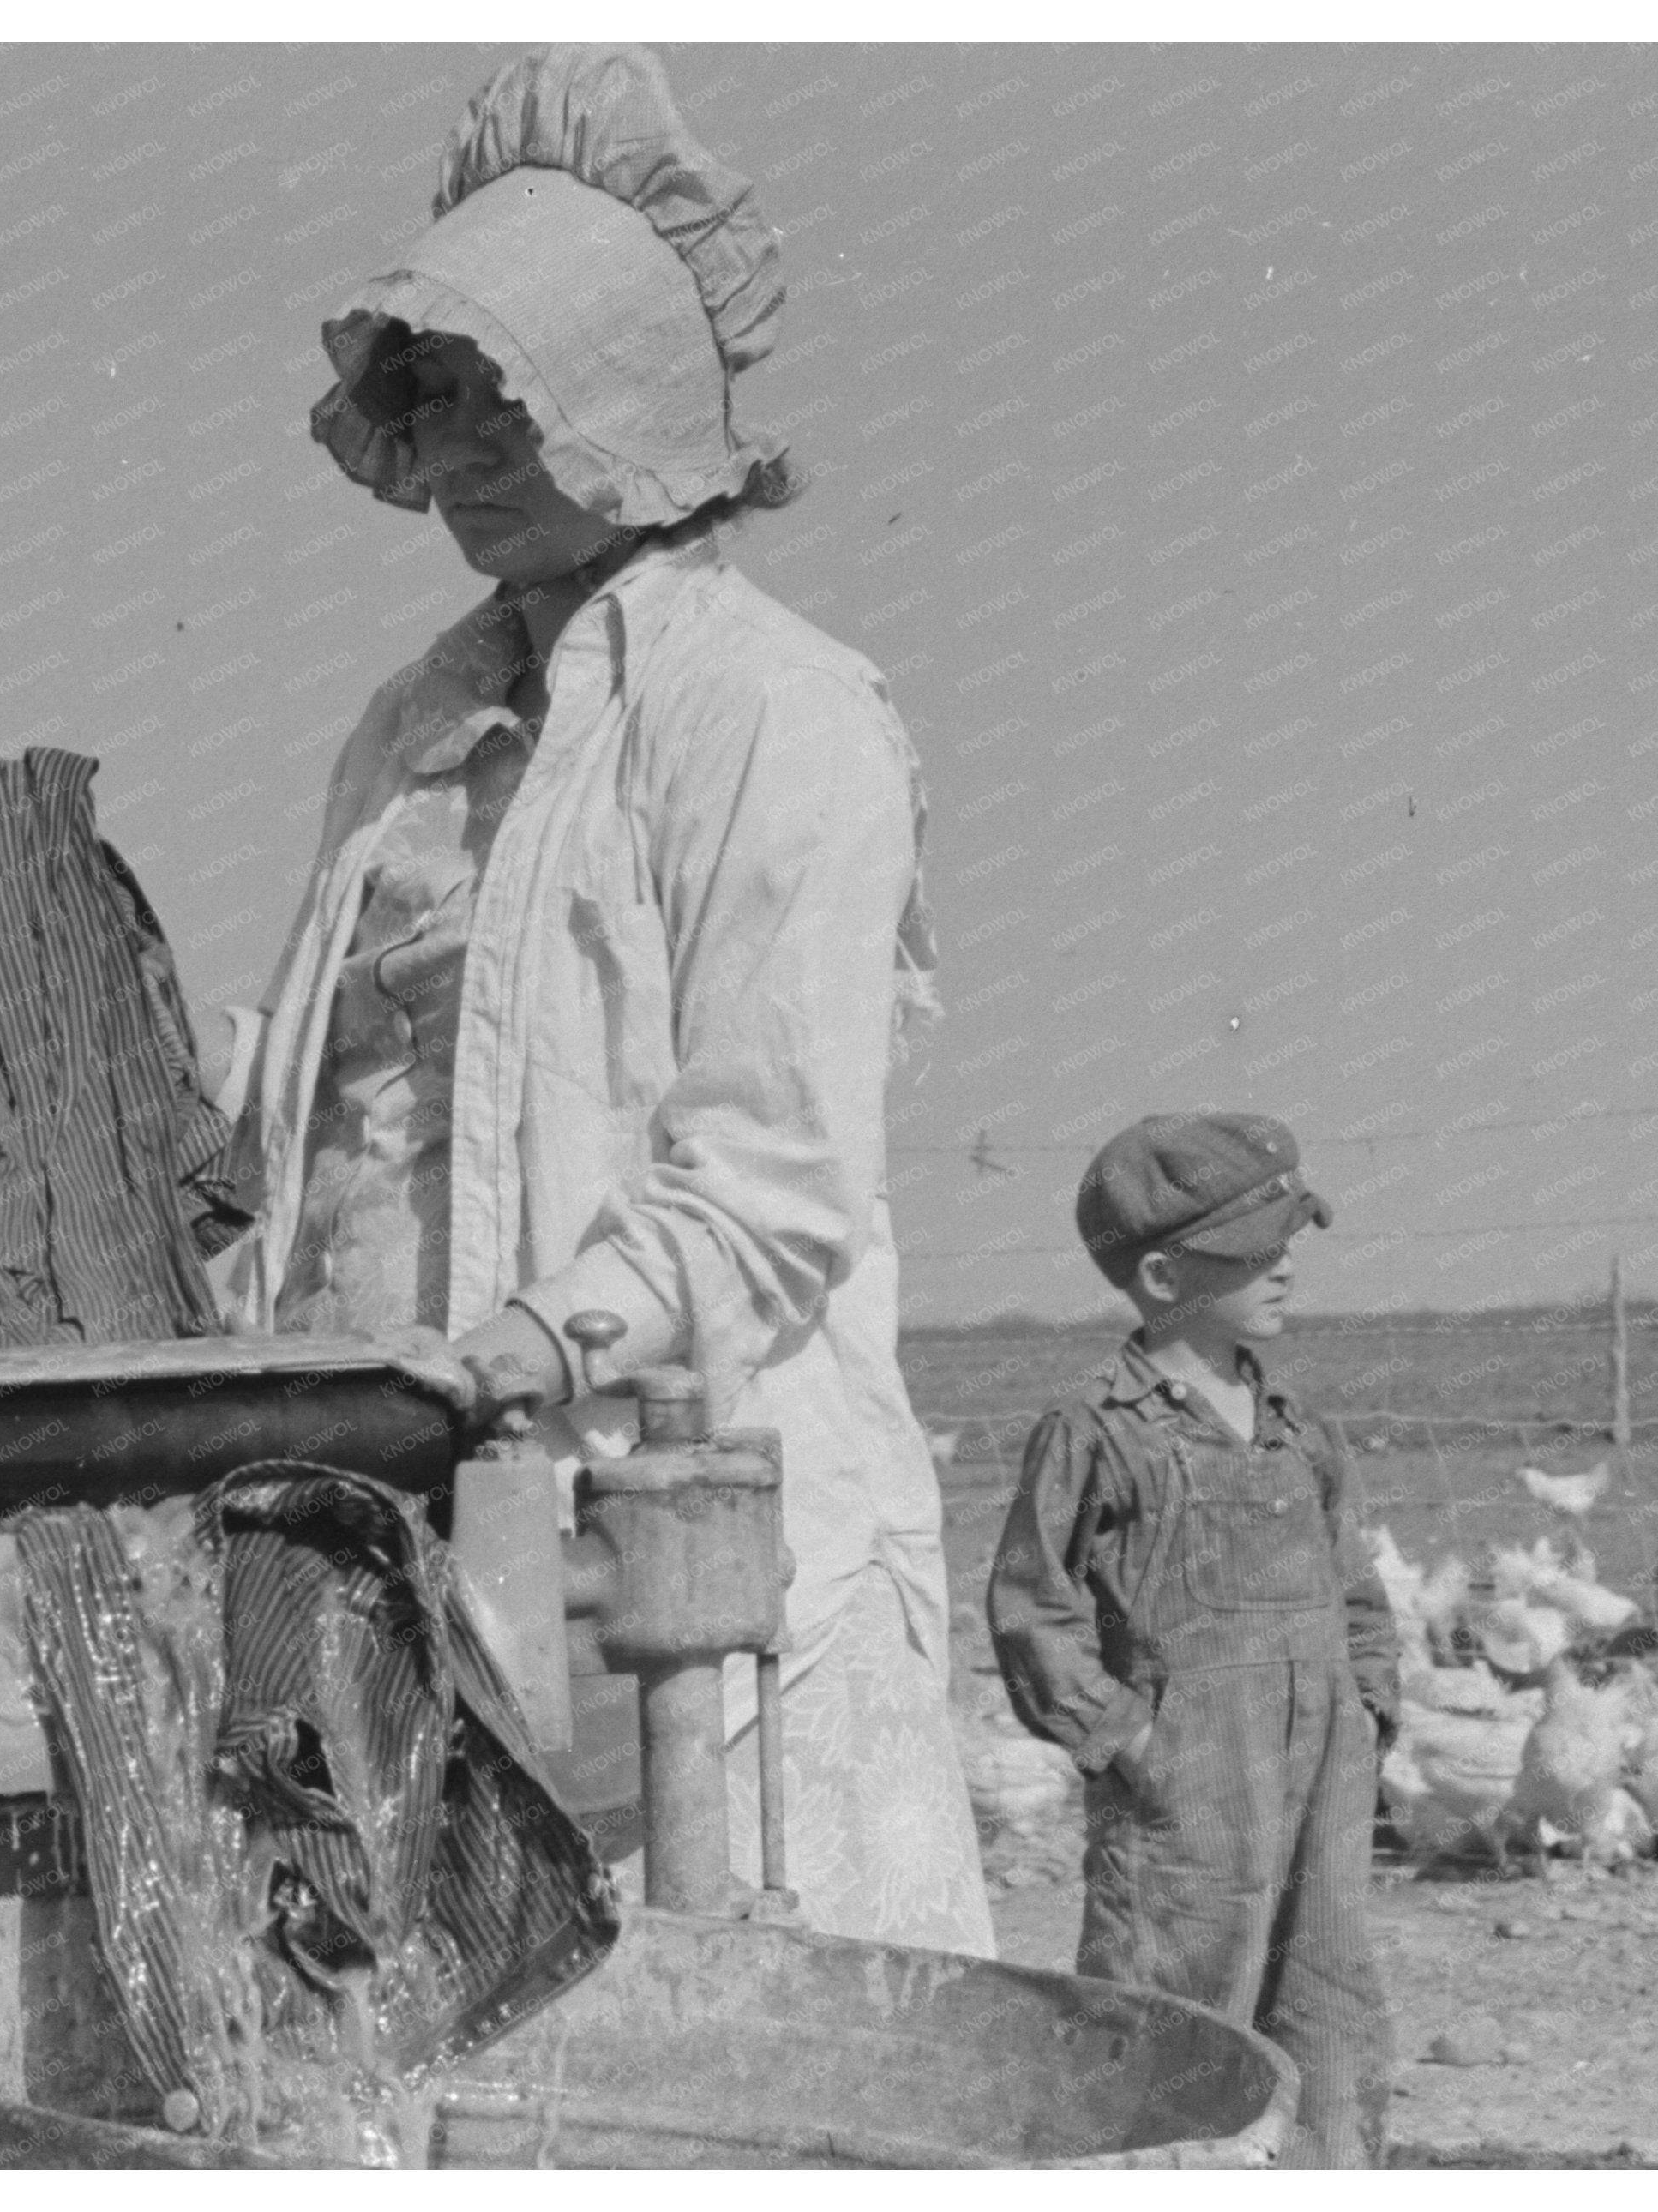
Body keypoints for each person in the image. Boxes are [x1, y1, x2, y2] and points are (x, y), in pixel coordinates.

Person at [205, 45, 993, 1960]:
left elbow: (772, 1182)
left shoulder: (770, 710)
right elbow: (324, 1122)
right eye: (435, 395)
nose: (460, 439)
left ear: (625, 392)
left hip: (701, 1549)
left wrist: (525, 1348)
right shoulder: (411, 725)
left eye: (503, 392)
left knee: (743, 2041)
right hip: (422, 1539)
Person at [984, 1112, 1399, 2167]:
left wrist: (1369, 1705)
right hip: (1184, 1792)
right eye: (1256, 1248)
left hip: (1323, 1770)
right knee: (1173, 2009)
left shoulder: (1298, 1426)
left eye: (1290, 1236)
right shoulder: (1098, 1428)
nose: (1287, 1265)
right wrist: (1126, 1740)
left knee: (1326, 2002)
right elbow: (1034, 1605)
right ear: (1165, 1277)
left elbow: (1354, 1583)